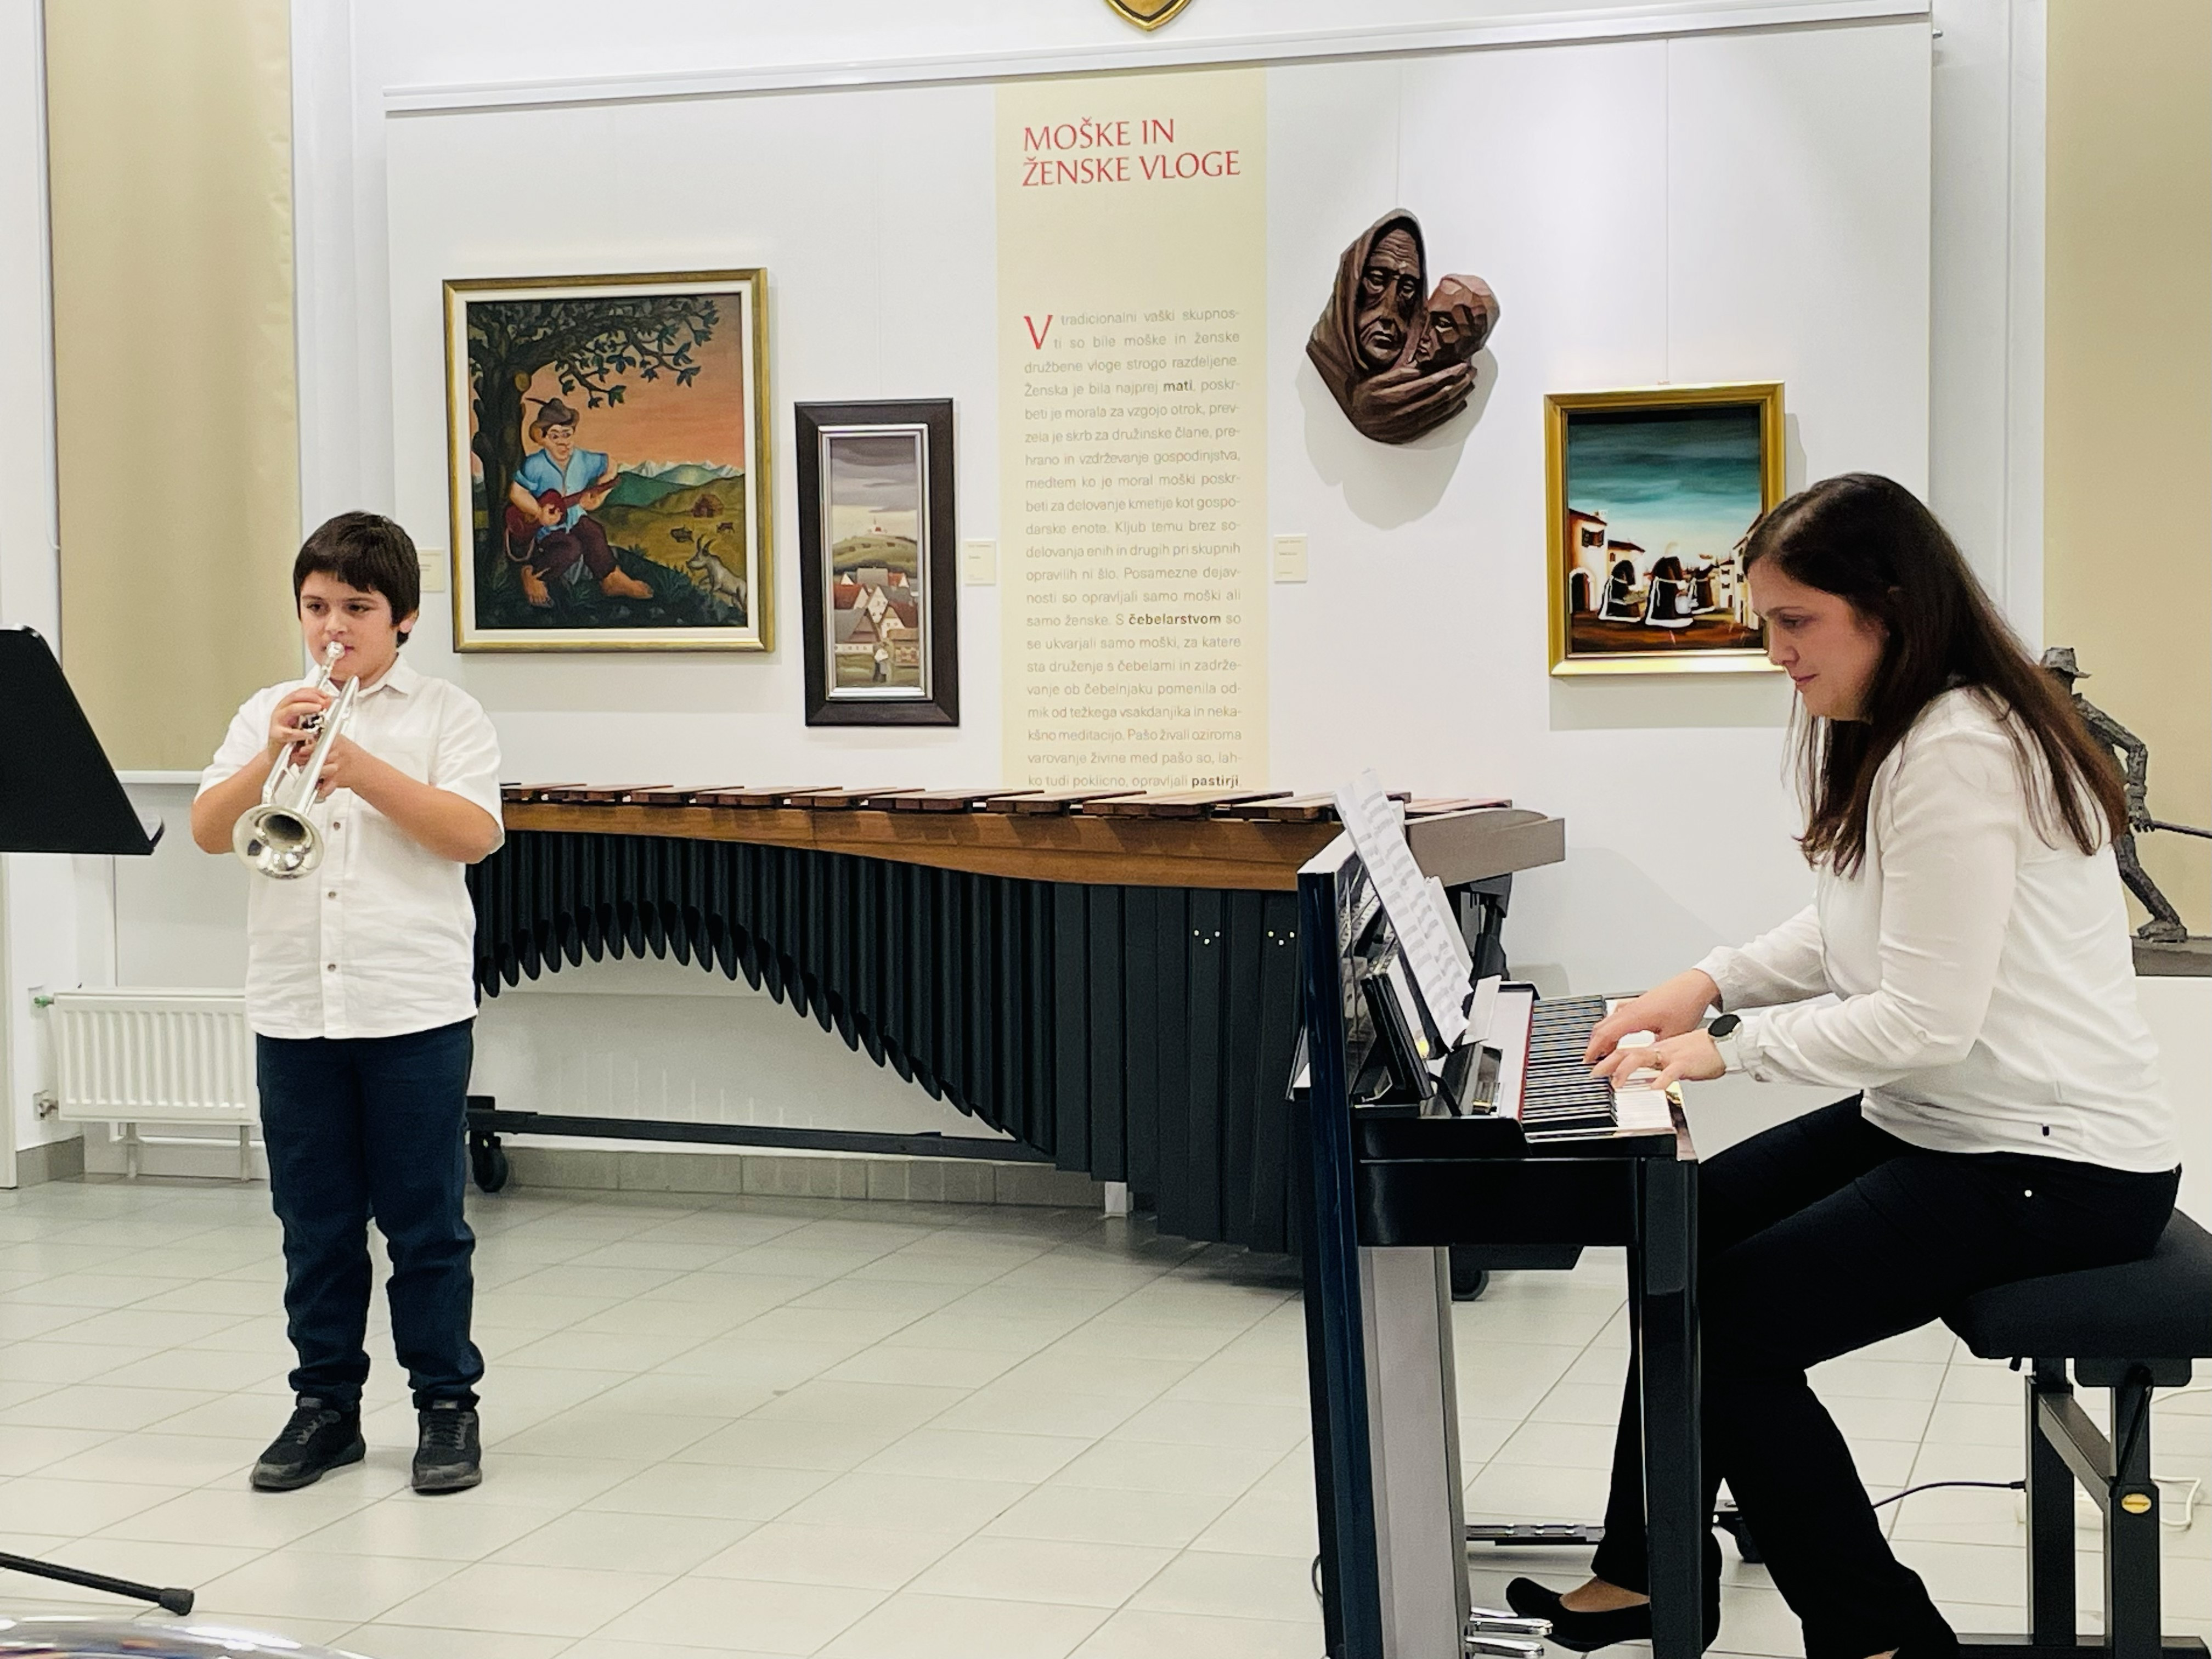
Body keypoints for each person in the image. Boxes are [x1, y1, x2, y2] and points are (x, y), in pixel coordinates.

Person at [1507, 475, 2179, 1659]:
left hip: (2054, 1161)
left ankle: (1883, 1636)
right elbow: (1850, 931)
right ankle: (1649, 1566)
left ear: (1890, 607)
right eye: (1767, 620)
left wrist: (1728, 1050)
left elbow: (1924, 1018)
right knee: (1685, 1232)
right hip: (1952, 1121)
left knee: (1733, 1325)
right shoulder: (1910, 728)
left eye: (1795, 621)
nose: (1775, 650)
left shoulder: (1960, 749)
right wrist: (1705, 981)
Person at [192, 512, 505, 1496]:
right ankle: (325, 1407)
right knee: (314, 1225)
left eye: (357, 609)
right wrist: (272, 753)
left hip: (410, 1006)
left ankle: (445, 1405)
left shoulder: (448, 714)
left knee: (425, 1225)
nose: (333, 628)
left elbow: (473, 835)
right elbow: (209, 828)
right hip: (294, 1008)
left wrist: (361, 768)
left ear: (402, 617)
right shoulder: (266, 711)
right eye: (316, 606)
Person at [2039, 646, 2190, 944]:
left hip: (2109, 799)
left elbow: (2136, 747)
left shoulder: (2085, 714)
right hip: (2084, 802)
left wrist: (2135, 800)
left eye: (2055, 678)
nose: (2049, 685)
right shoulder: (2052, 719)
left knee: (2125, 864)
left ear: (2068, 680)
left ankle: (2169, 921)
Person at [504, 397, 653, 607]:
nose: (563, 442)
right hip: (547, 528)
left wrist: (599, 497)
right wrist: (538, 513)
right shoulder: (535, 464)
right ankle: (534, 575)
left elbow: (611, 465)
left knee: (594, 532)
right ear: (542, 438)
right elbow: (517, 492)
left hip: (576, 517)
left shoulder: (583, 459)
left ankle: (611, 579)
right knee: (571, 548)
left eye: (567, 434)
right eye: (555, 436)